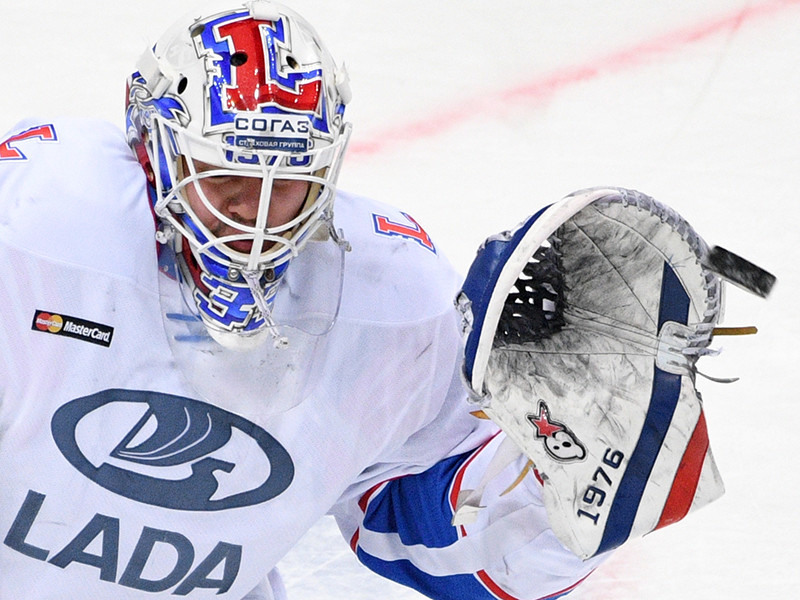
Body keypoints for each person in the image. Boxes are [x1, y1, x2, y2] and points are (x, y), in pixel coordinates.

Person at [0, 1, 766, 598]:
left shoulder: (390, 302)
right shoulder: (35, 232)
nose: (254, 217)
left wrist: (564, 482)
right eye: (226, 177)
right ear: (155, 153)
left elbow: (421, 535)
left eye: (285, 184)